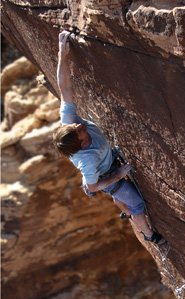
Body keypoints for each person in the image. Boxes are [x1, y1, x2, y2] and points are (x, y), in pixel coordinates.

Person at [53, 31, 165, 245]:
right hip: (107, 177)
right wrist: (119, 174)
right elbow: (93, 186)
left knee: (122, 197)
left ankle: (122, 206)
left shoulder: (69, 123)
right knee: (137, 205)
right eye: (79, 130)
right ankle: (150, 236)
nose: (79, 124)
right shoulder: (88, 159)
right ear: (82, 143)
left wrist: (62, 54)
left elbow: (64, 88)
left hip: (105, 165)